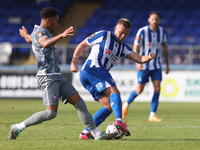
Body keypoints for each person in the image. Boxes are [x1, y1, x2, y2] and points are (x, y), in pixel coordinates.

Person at [8, 7, 117, 140]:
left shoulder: (39, 33)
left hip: (57, 77)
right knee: (50, 113)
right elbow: (44, 43)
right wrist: (61, 35)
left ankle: (96, 134)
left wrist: (25, 34)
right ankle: (18, 127)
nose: (57, 24)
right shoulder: (41, 33)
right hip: (47, 78)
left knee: (80, 104)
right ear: (48, 19)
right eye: (56, 20)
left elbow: (30, 39)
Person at [70, 18, 155, 139]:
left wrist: (149, 57)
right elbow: (82, 44)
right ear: (115, 28)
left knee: (109, 105)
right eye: (121, 32)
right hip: (93, 69)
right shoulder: (104, 34)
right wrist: (74, 62)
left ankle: (86, 133)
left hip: (89, 76)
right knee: (115, 92)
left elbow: (139, 58)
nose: (122, 36)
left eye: (126, 34)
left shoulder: (122, 47)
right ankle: (120, 121)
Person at [122, 12, 170, 122]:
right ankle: (126, 103)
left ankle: (152, 115)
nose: (154, 21)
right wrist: (137, 61)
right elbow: (136, 46)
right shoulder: (142, 31)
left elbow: (165, 48)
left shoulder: (162, 32)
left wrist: (167, 65)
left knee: (157, 88)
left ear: (159, 20)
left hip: (157, 65)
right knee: (139, 90)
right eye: (153, 19)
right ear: (149, 20)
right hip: (144, 64)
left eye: (156, 19)